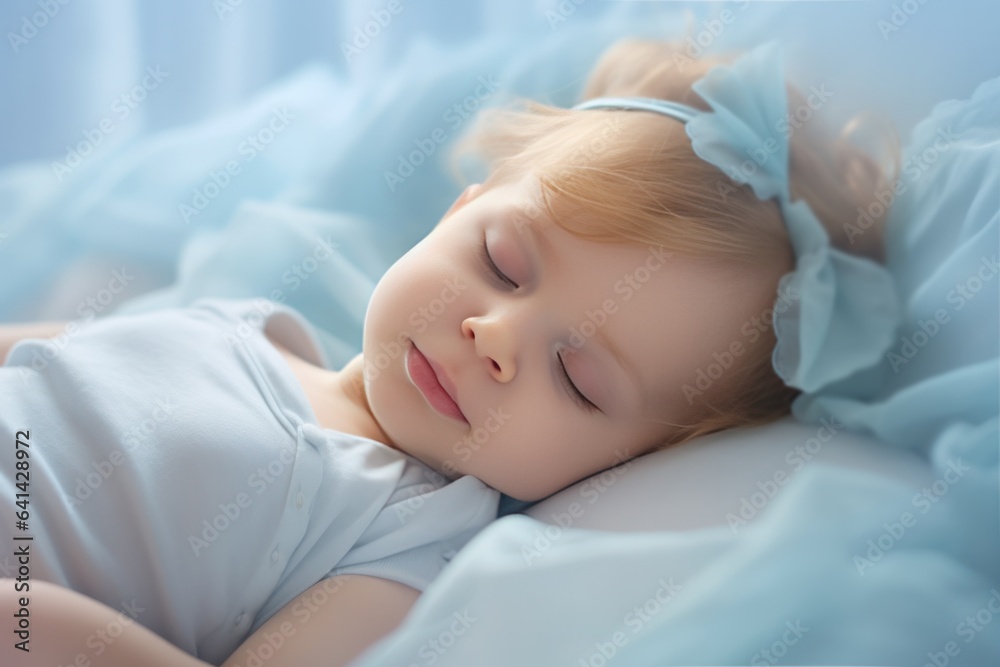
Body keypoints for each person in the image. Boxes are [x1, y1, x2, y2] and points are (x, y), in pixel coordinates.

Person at [0, 36, 897, 667]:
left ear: (622, 462)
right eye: (503, 264)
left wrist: (32, 627)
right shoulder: (248, 323)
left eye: (576, 378)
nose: (496, 338)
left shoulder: (402, 539)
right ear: (456, 210)